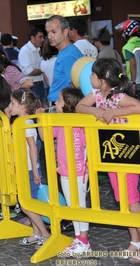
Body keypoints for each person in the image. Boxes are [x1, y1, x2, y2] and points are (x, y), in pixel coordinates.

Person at [76, 58, 140, 263]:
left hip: (127, 153)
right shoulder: (96, 94)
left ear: (103, 79)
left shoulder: (118, 96)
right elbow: (79, 106)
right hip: (110, 153)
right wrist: (95, 110)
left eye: (93, 75)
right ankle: (135, 242)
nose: (89, 77)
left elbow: (137, 106)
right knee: (122, 197)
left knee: (131, 198)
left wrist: (114, 112)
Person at [37, 88, 89, 256]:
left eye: (59, 101)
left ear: (68, 104)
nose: (55, 103)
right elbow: (45, 136)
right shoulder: (59, 121)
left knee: (79, 205)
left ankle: (84, 241)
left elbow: (88, 143)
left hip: (79, 171)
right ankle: (78, 238)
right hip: (65, 170)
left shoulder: (81, 122)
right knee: (71, 205)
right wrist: (40, 119)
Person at [5, 88, 49, 249]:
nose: (10, 106)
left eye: (13, 103)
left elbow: (33, 147)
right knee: (29, 202)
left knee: (27, 204)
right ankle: (36, 232)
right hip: (23, 168)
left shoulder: (26, 123)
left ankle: (45, 233)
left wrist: (36, 170)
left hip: (29, 169)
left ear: (23, 106)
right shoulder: (20, 122)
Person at [45, 15, 83, 104]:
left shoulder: (68, 55)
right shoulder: (66, 51)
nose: (49, 36)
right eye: (48, 32)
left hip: (62, 106)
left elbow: (75, 85)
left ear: (65, 31)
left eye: (54, 32)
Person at [18, 27, 45, 106]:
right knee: (35, 110)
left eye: (43, 37)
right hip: (33, 86)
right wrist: (44, 69)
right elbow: (29, 71)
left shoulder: (37, 50)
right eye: (40, 37)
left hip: (39, 84)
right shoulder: (25, 50)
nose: (42, 39)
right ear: (32, 38)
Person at [115, 20, 140, 99]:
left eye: (123, 32)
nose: (122, 35)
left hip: (137, 82)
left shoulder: (128, 47)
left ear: (129, 32)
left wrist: (133, 83)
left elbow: (133, 64)